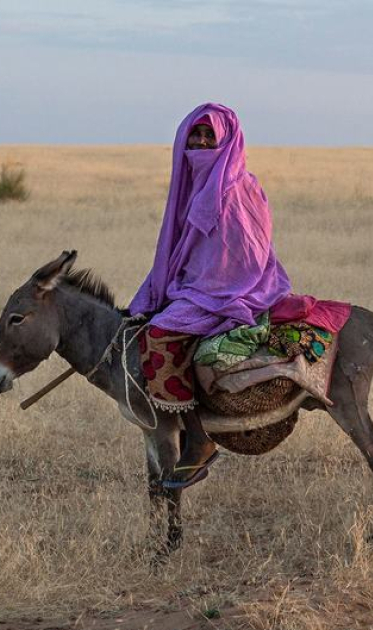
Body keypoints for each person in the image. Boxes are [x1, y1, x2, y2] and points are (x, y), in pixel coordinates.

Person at [129, 103, 291, 488]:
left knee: (159, 334)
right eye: (195, 136)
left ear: (227, 141)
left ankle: (198, 437)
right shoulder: (191, 187)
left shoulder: (240, 188)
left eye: (209, 136)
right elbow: (183, 248)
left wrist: (201, 290)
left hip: (233, 287)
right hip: (194, 285)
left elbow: (248, 255)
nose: (201, 143)